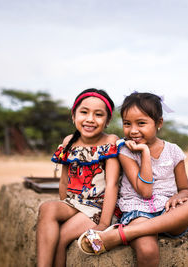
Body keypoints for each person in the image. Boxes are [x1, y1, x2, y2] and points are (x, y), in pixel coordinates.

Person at [78, 92, 188, 267]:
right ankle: (130, 231)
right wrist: (145, 153)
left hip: (168, 213)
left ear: (159, 123)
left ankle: (119, 235)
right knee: (148, 251)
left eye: (141, 123)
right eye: (127, 124)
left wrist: (180, 196)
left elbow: (185, 189)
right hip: (138, 211)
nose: (133, 130)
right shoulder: (125, 152)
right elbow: (145, 192)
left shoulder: (174, 151)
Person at [37, 88, 123, 267]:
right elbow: (64, 180)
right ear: (73, 115)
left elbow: (113, 183)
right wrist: (62, 206)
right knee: (47, 208)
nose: (90, 119)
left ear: (107, 121)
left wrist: (104, 223)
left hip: (98, 208)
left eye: (98, 114)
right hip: (73, 203)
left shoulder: (110, 141)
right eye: (84, 112)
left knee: (61, 238)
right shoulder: (69, 141)